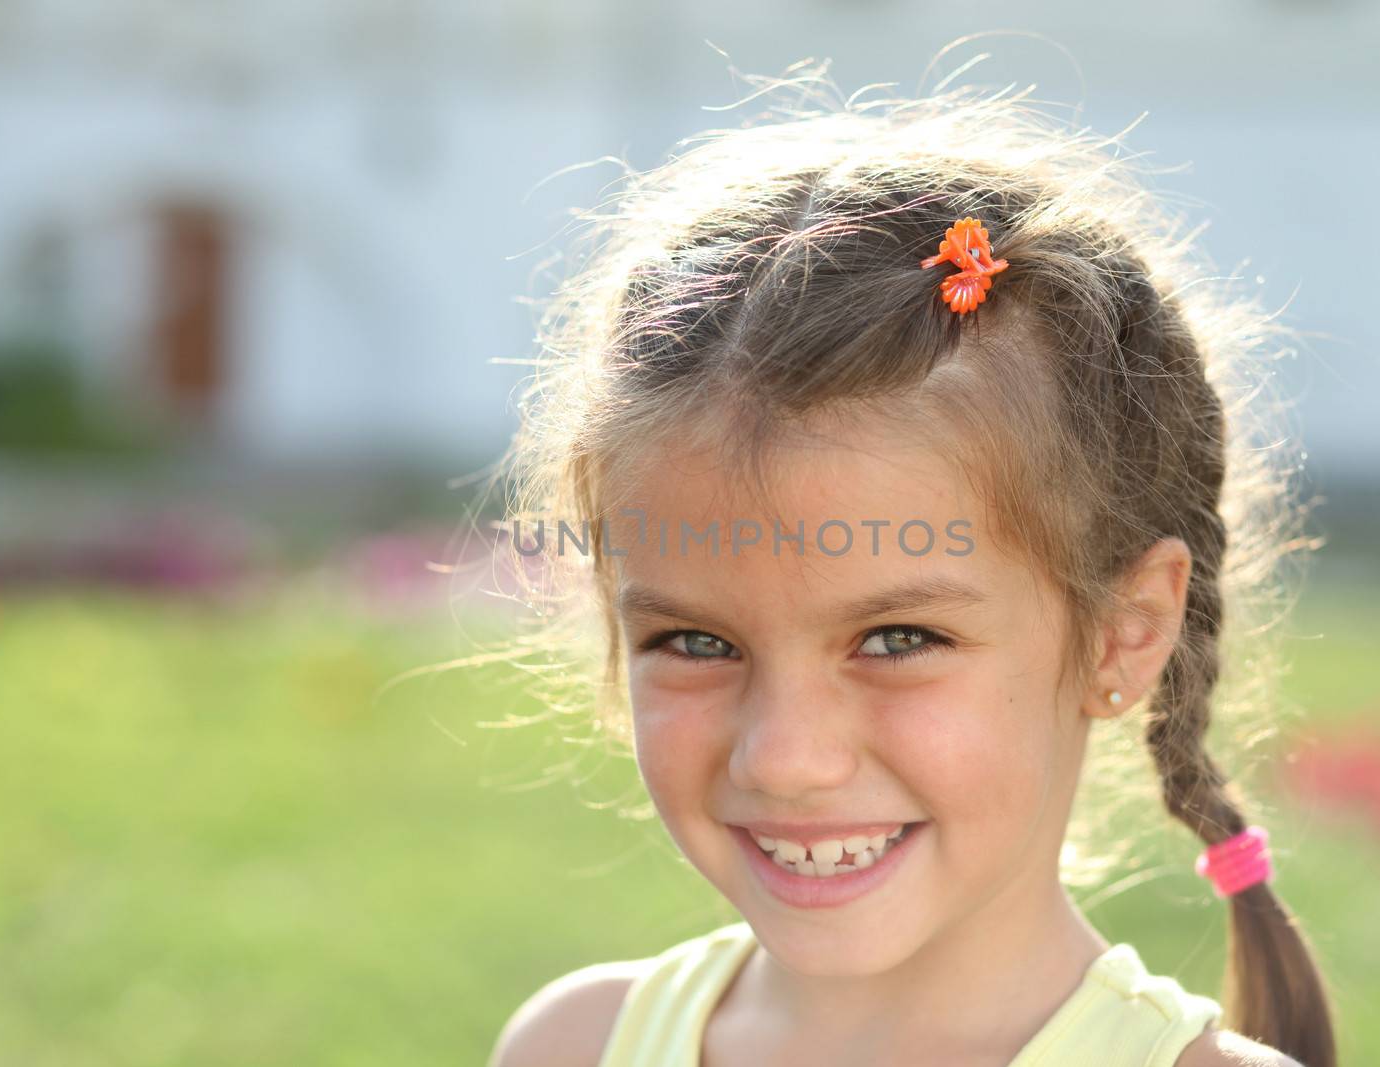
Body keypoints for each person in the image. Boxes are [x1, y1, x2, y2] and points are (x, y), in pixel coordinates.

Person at [484, 69, 1334, 1067]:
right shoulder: (574, 1045)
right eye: (696, 641)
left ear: (1124, 629)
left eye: (898, 638)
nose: (784, 757)